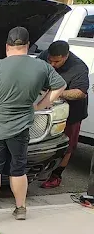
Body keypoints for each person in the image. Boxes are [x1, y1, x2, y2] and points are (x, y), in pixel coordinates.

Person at [0, 26, 66, 223]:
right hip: (21, 129)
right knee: (18, 169)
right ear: (28, 46)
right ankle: (20, 209)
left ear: (7, 46)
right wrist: (41, 105)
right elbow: (60, 85)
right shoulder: (42, 67)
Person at [38, 39, 89, 188]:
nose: (52, 65)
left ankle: (56, 175)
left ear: (65, 57)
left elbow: (80, 92)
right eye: (50, 61)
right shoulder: (44, 56)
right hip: (45, 108)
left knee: (68, 145)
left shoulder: (78, 67)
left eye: (57, 62)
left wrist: (56, 94)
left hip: (71, 112)